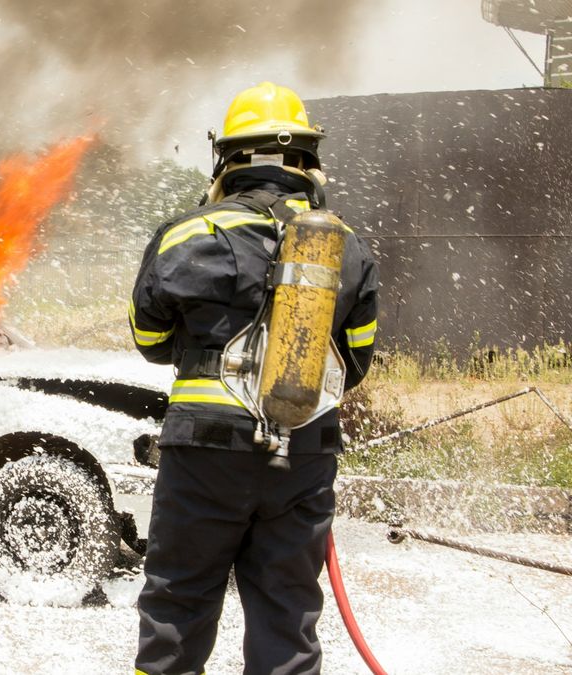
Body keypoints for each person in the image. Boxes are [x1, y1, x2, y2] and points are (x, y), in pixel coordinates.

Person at [130, 82, 379, 675]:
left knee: (178, 602)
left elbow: (150, 342)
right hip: (303, 455)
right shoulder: (346, 246)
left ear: (227, 158)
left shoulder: (185, 234)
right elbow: (354, 364)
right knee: (287, 613)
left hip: (204, 454)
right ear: (308, 160)